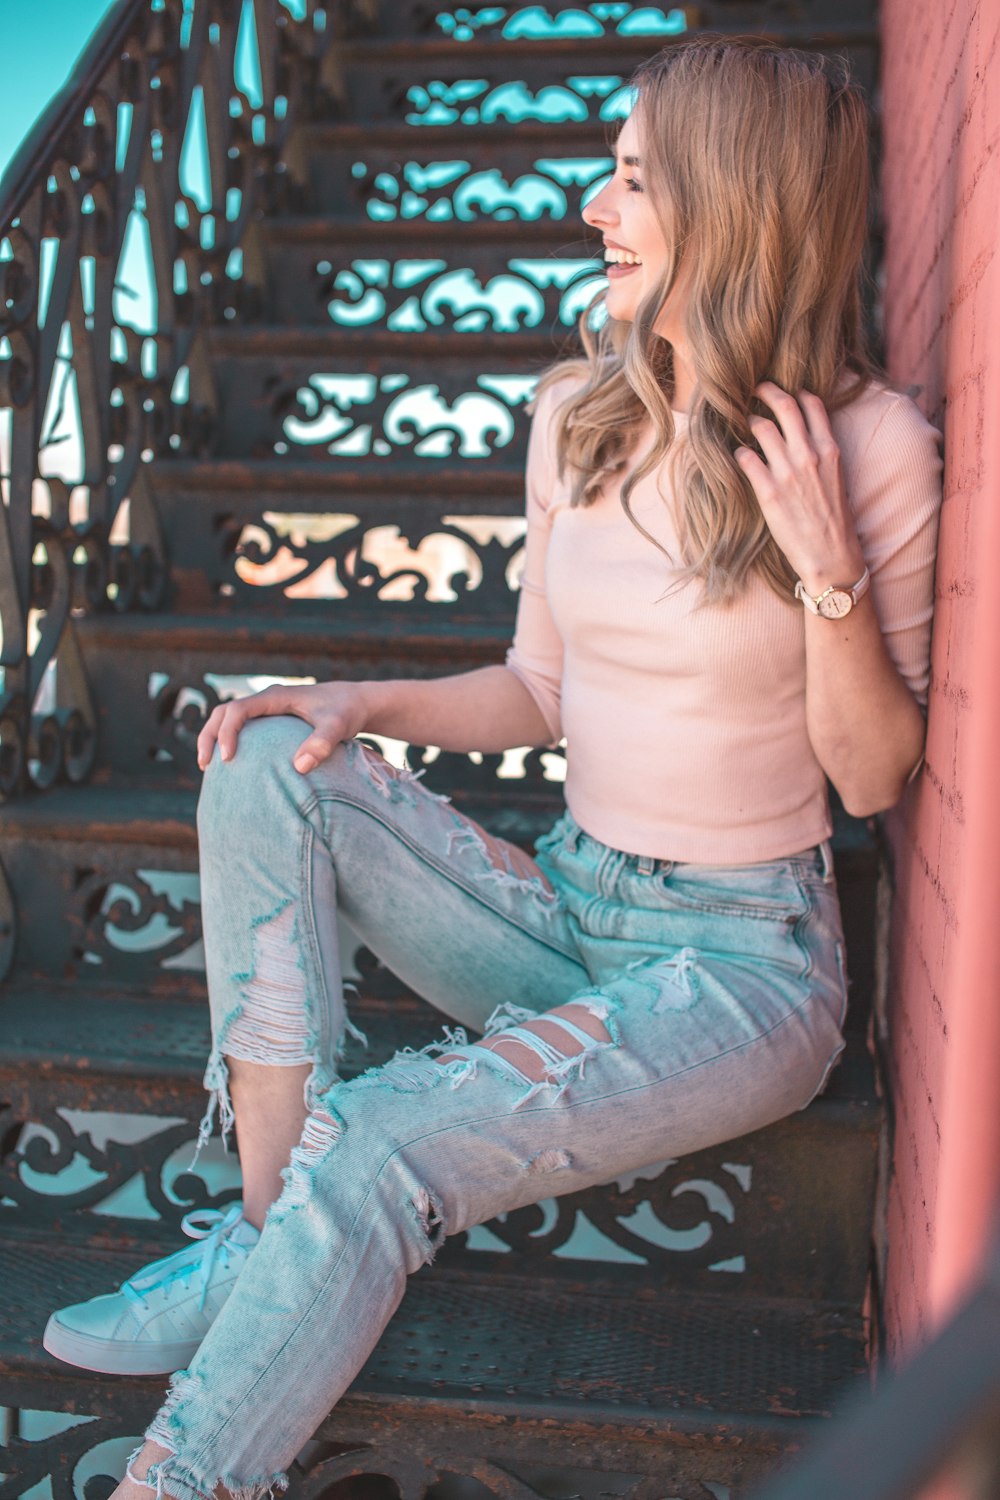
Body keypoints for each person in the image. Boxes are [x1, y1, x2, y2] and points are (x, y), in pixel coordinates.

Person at [43, 35, 942, 1500]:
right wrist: (349, 696)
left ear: (734, 200)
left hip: (744, 970)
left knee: (386, 1138)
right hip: (573, 913)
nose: (597, 206)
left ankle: (184, 1475)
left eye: (636, 179)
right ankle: (274, 1234)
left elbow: (876, 782)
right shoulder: (578, 419)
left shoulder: (870, 443)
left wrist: (828, 573)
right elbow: (538, 689)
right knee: (267, 757)